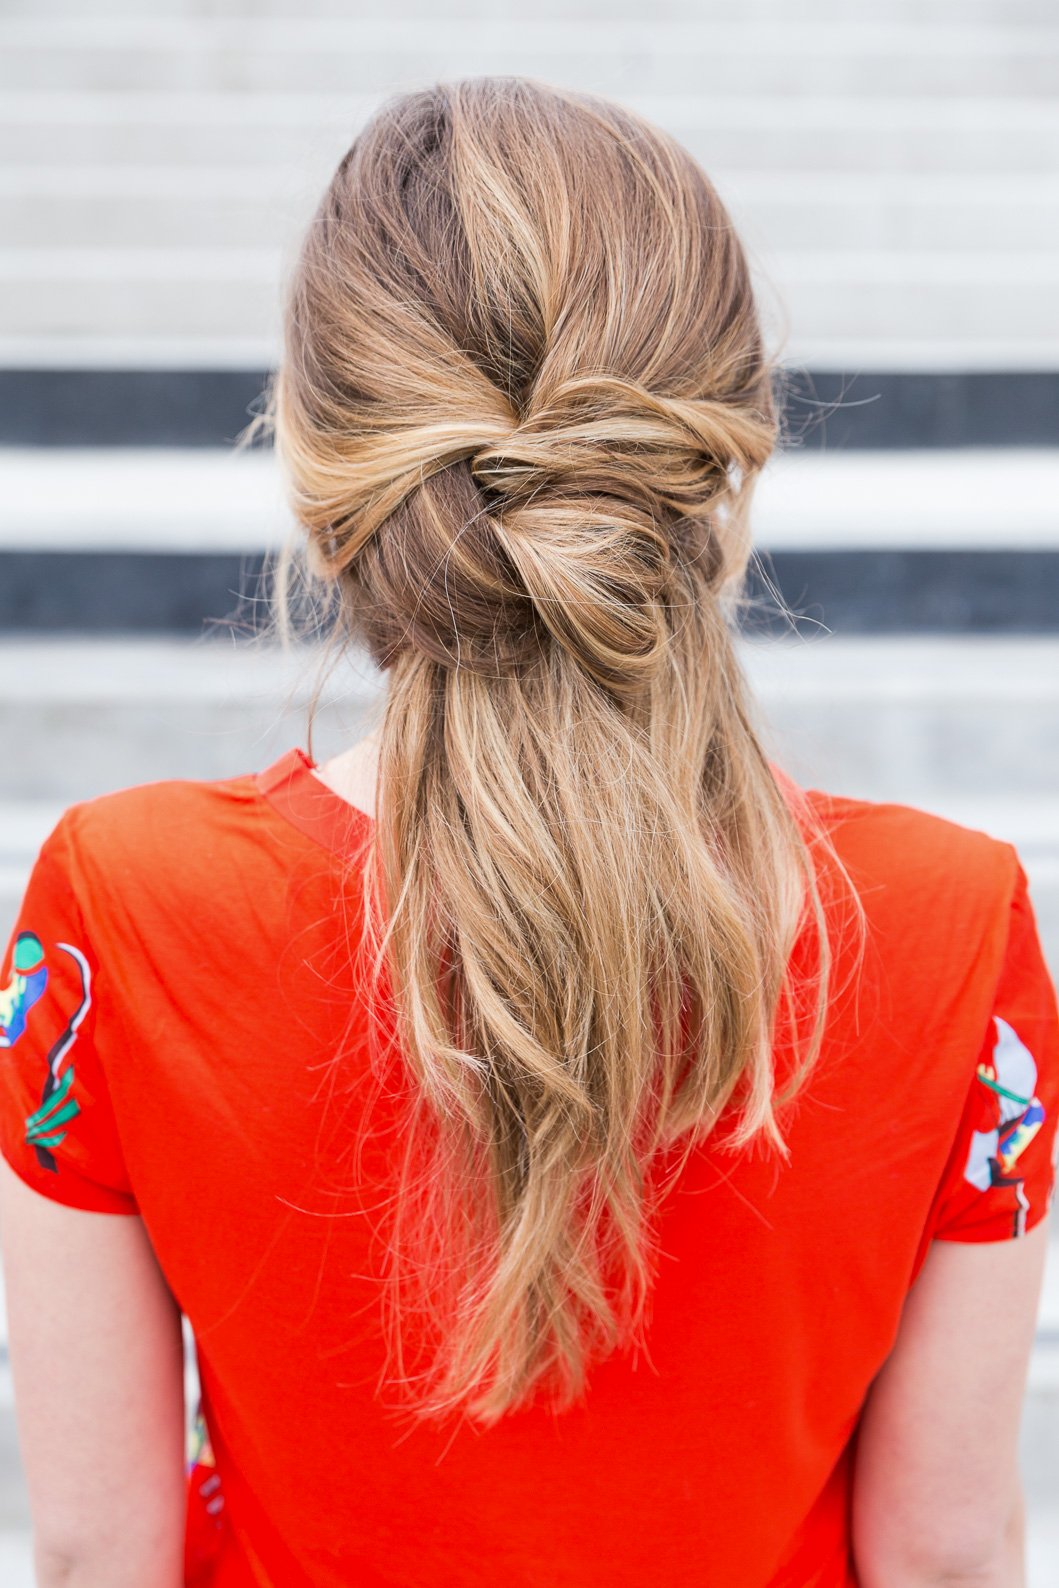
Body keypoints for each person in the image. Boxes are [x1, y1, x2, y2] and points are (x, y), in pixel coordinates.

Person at [0, 76, 1055, 1588]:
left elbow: (105, 1556)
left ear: (317, 469)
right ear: (724, 468)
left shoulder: (125, 910)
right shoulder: (947, 926)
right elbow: (944, 1558)